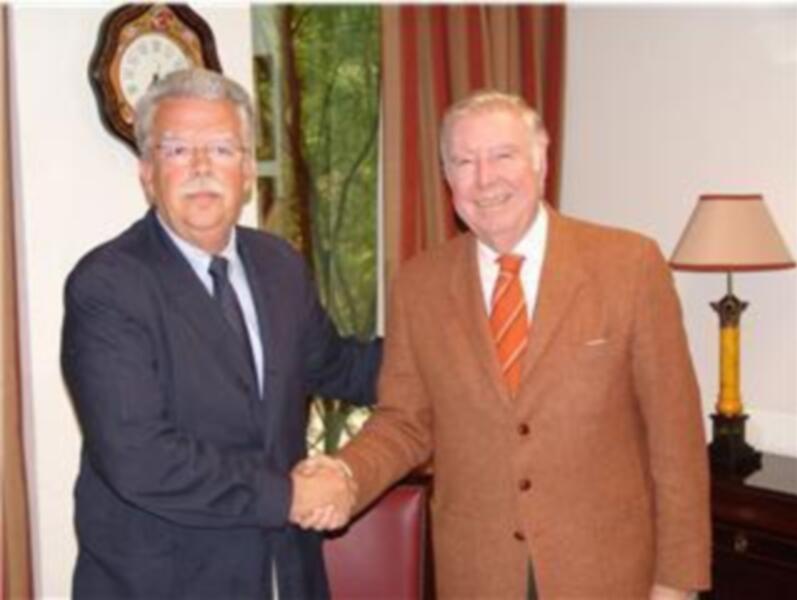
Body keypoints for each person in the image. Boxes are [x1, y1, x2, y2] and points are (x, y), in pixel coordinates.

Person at [295, 90, 711, 599]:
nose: (485, 179)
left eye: (502, 156)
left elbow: (676, 436)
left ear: (540, 162)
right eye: (464, 162)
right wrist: (345, 473)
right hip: (479, 574)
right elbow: (405, 422)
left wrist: (677, 580)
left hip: (608, 573)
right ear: (448, 178)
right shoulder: (419, 285)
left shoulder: (629, 265)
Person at [61, 68, 379, 599]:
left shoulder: (279, 264)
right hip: (161, 584)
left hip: (283, 574)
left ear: (248, 171)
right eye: (178, 150)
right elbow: (140, 456)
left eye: (223, 149)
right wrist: (287, 497)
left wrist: (450, 352)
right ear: (147, 172)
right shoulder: (108, 285)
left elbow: (337, 365)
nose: (202, 167)